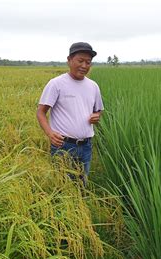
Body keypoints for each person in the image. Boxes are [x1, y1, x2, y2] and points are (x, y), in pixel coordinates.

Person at [37, 42, 104, 186]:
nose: (84, 66)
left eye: (88, 62)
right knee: (61, 187)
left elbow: (98, 110)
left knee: (82, 185)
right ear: (69, 60)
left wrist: (97, 116)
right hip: (63, 145)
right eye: (80, 61)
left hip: (86, 146)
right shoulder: (56, 84)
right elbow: (41, 112)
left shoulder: (93, 86)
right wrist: (49, 133)